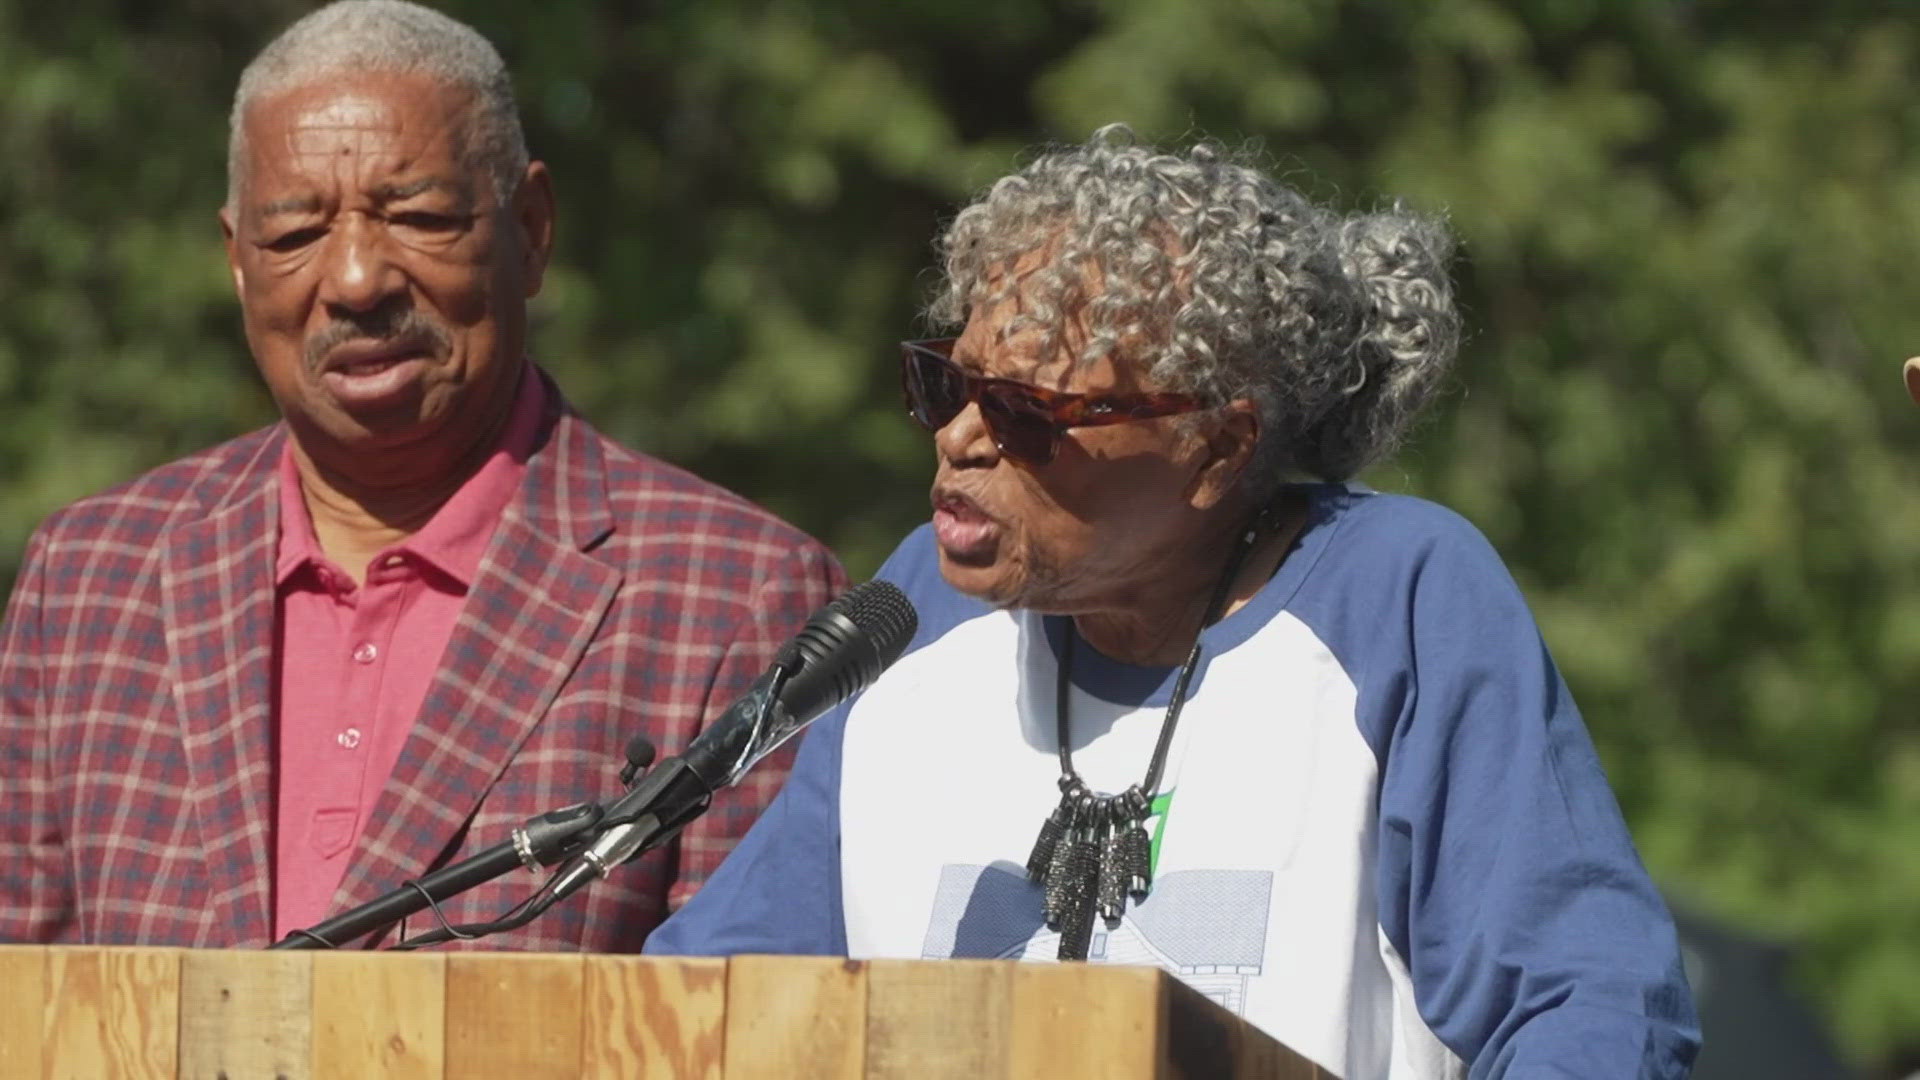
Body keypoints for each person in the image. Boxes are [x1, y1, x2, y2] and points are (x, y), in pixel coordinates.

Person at [648, 127, 1701, 1077]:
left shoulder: (1398, 598)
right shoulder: (916, 612)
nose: (960, 437)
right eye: (946, 384)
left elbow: (1586, 1007)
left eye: (1025, 411)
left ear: (1216, 448)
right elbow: (715, 1012)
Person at [0, 0, 842, 951]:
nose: (357, 280)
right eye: (294, 236)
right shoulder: (89, 580)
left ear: (532, 227)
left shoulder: (732, 599)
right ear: (237, 263)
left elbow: (743, 1027)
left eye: (421, 217)